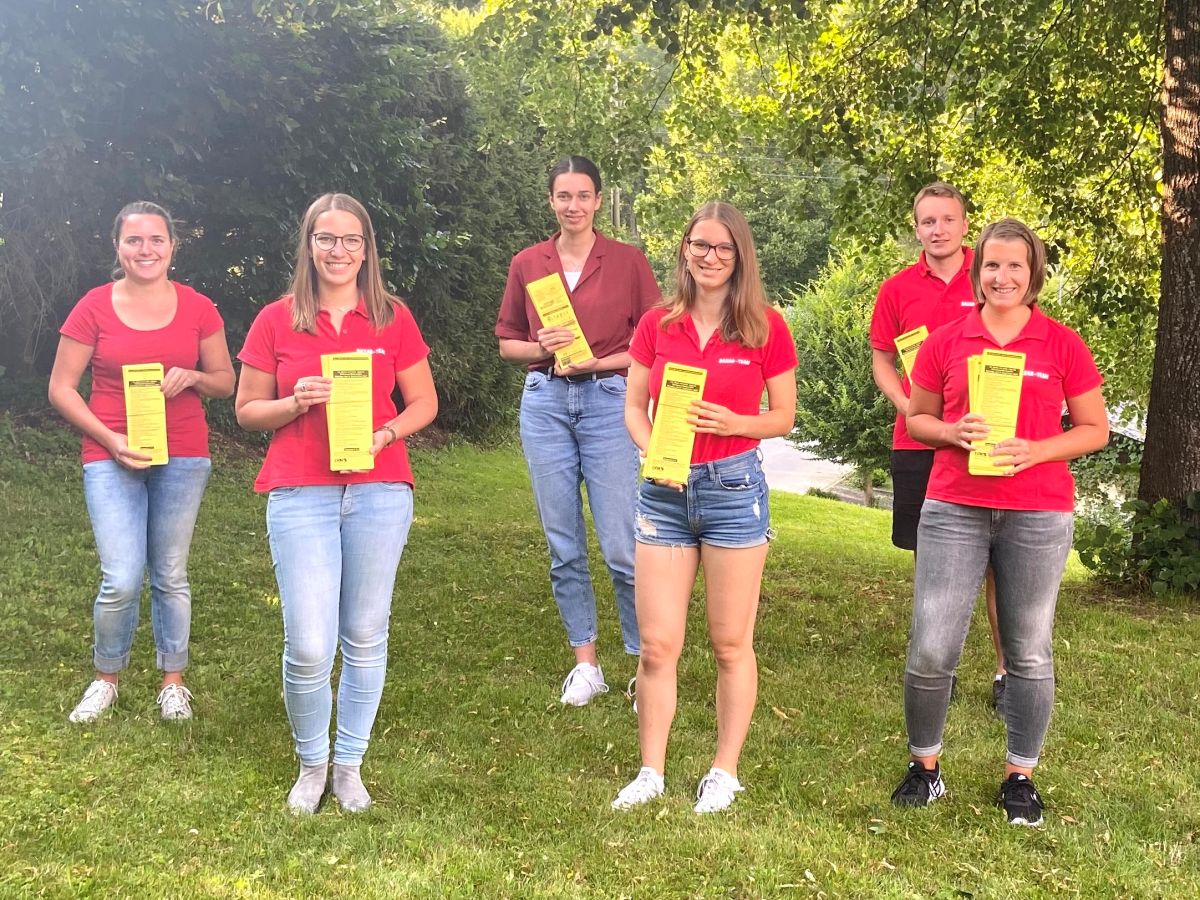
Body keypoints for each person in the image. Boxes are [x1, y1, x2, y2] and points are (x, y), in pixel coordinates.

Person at [890, 218, 1108, 826]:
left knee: (1029, 650)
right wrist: (952, 431)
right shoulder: (946, 340)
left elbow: (1095, 429)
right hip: (954, 505)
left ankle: (1020, 776)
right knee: (933, 645)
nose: (1002, 276)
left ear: (1033, 273)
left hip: (1037, 513)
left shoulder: (1063, 344)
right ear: (975, 271)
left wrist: (1037, 449)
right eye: (991, 265)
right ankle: (925, 767)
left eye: (1016, 265)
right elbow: (918, 421)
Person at [235, 193, 437, 814]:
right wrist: (293, 403)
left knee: (365, 634)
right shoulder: (276, 319)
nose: (339, 251)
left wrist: (387, 433)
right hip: (301, 492)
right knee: (309, 643)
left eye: (351, 240)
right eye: (326, 239)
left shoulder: (393, 317)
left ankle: (348, 765)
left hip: (378, 491)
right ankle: (310, 763)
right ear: (309, 245)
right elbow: (246, 411)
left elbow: (423, 404)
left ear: (367, 248)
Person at [612, 202, 798, 814]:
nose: (710, 257)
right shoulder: (656, 325)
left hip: (733, 490)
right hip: (662, 492)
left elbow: (784, 416)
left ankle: (724, 770)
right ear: (685, 250)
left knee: (729, 643)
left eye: (722, 248)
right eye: (699, 245)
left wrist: (734, 421)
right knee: (658, 646)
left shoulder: (766, 327)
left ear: (739, 255)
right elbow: (635, 406)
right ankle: (651, 772)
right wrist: (650, 449)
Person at [49, 201, 235, 724]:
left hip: (183, 453)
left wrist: (193, 377)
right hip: (110, 455)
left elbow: (226, 382)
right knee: (122, 577)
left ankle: (172, 681)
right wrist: (110, 439)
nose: (146, 249)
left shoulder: (199, 307)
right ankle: (106, 678)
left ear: (173, 247)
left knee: (171, 573)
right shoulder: (93, 307)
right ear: (118, 246)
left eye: (156, 239)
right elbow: (61, 388)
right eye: (135, 240)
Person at [495, 156, 660, 706]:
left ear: (598, 200)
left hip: (610, 403)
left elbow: (653, 347)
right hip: (544, 403)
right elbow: (508, 343)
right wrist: (542, 348)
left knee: (621, 544)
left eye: (583, 196)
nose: (573, 206)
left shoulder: (628, 262)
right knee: (563, 543)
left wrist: (595, 364)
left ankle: (644, 668)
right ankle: (586, 664)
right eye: (563, 196)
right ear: (551, 201)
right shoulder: (528, 263)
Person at [869, 182, 1008, 711]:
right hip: (919, 441)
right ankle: (937, 669)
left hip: (988, 438)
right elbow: (883, 359)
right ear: (916, 227)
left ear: (965, 224)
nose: (938, 229)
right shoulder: (897, 289)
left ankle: (1004, 672)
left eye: (947, 220)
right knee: (935, 560)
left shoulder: (993, 277)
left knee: (1001, 560)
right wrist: (909, 407)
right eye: (927, 221)